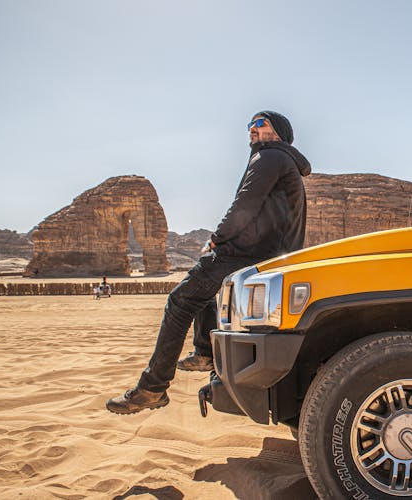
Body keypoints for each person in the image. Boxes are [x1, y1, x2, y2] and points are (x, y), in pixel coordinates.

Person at [107, 110, 311, 414]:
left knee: (179, 301)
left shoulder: (270, 157)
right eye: (250, 126)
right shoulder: (284, 162)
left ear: (278, 133)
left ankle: (152, 388)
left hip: (247, 253)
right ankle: (204, 352)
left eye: (260, 124)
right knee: (202, 292)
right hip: (268, 255)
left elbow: (245, 203)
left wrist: (218, 238)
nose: (252, 130)